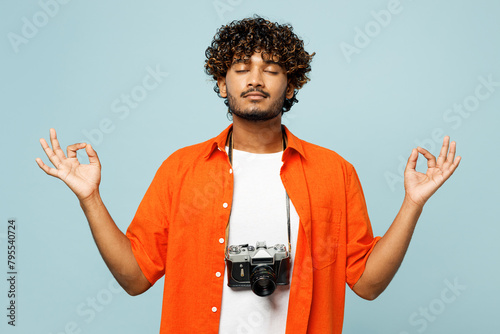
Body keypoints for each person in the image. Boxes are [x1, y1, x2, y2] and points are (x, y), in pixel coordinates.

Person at [36, 16, 461, 334]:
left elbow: (367, 284)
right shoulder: (181, 169)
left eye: (272, 69)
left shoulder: (334, 172)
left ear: (291, 86)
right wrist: (89, 198)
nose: (255, 79)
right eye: (241, 68)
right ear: (222, 83)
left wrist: (412, 204)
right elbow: (133, 278)